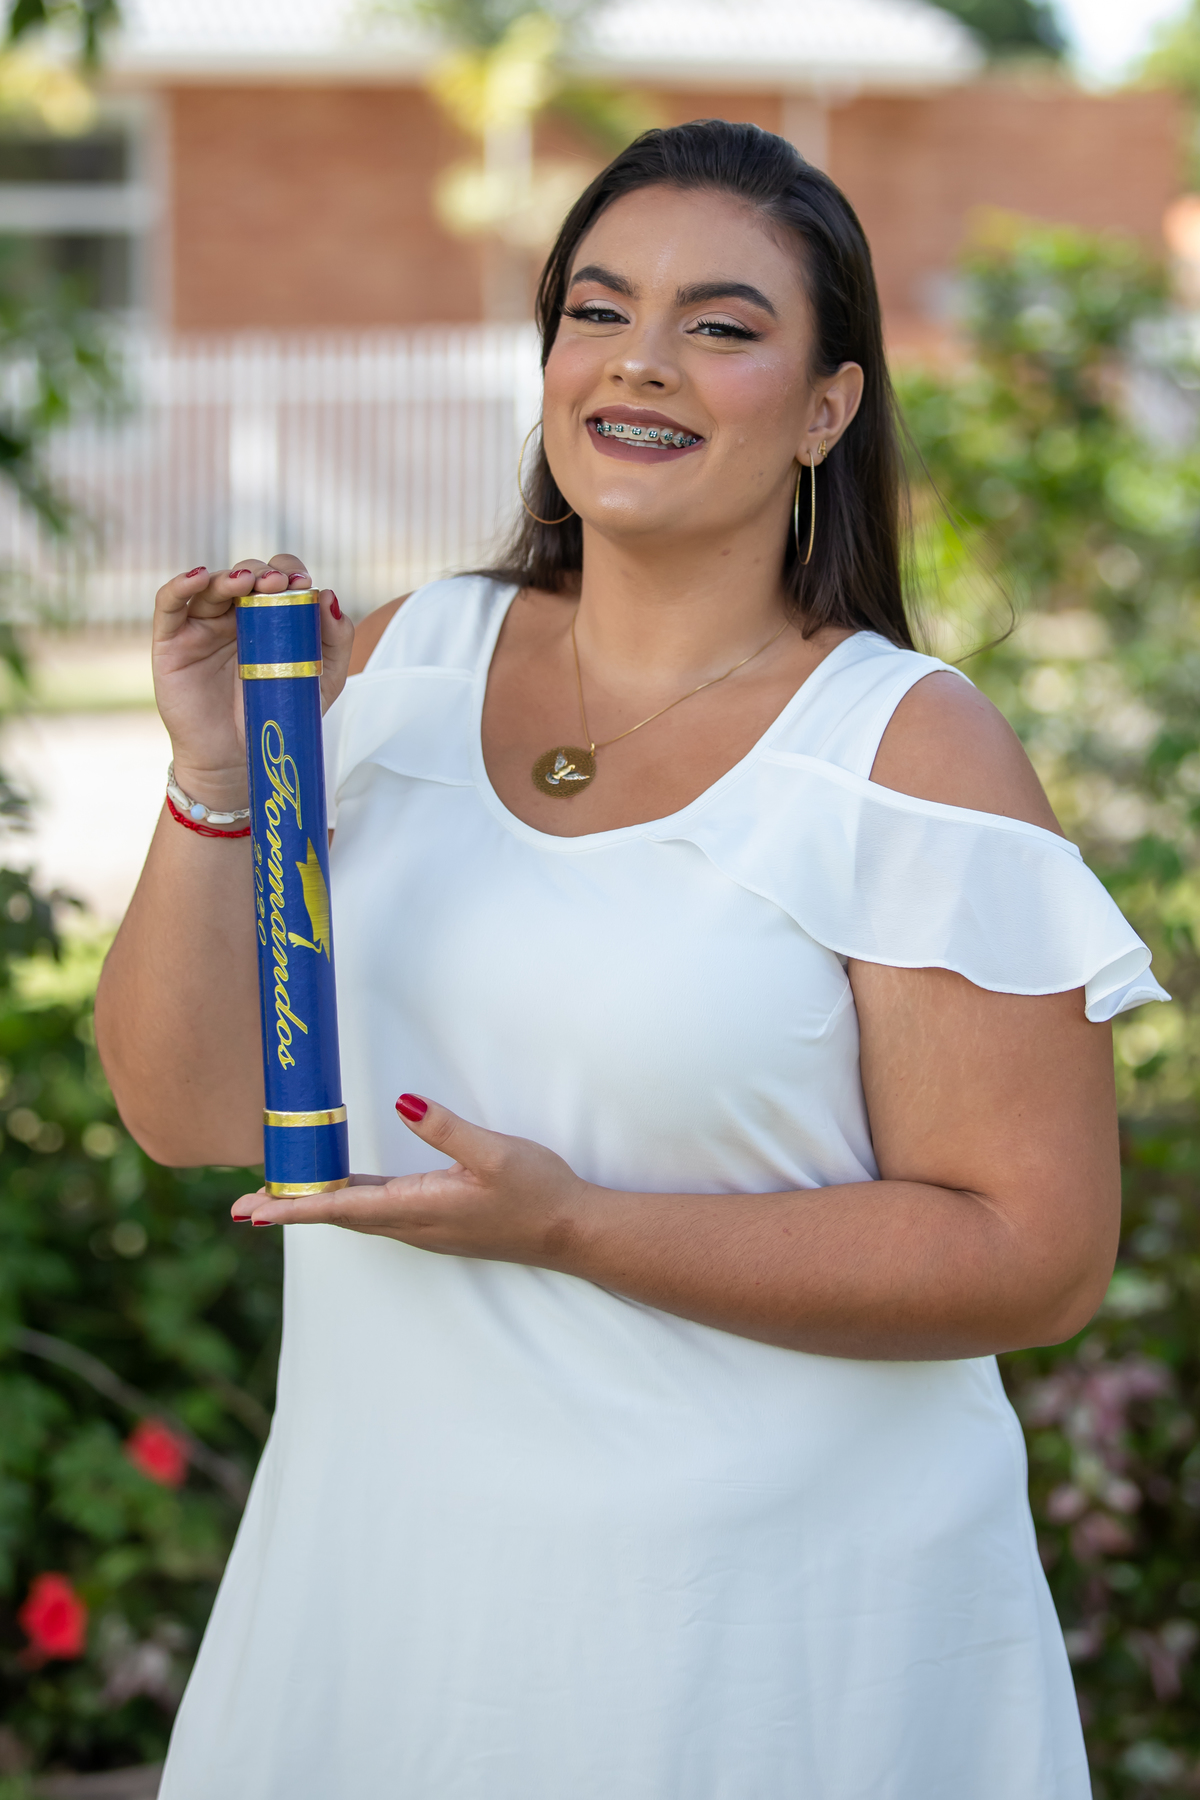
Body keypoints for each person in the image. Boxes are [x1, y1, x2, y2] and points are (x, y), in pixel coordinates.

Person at [96, 120, 1166, 1799]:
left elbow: (1032, 1256)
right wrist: (223, 779)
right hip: (390, 1605)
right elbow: (190, 1108)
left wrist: (574, 1227)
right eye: (597, 311)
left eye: (723, 326)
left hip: (769, 1652)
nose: (639, 362)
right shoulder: (397, 670)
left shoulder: (900, 750)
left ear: (830, 407)